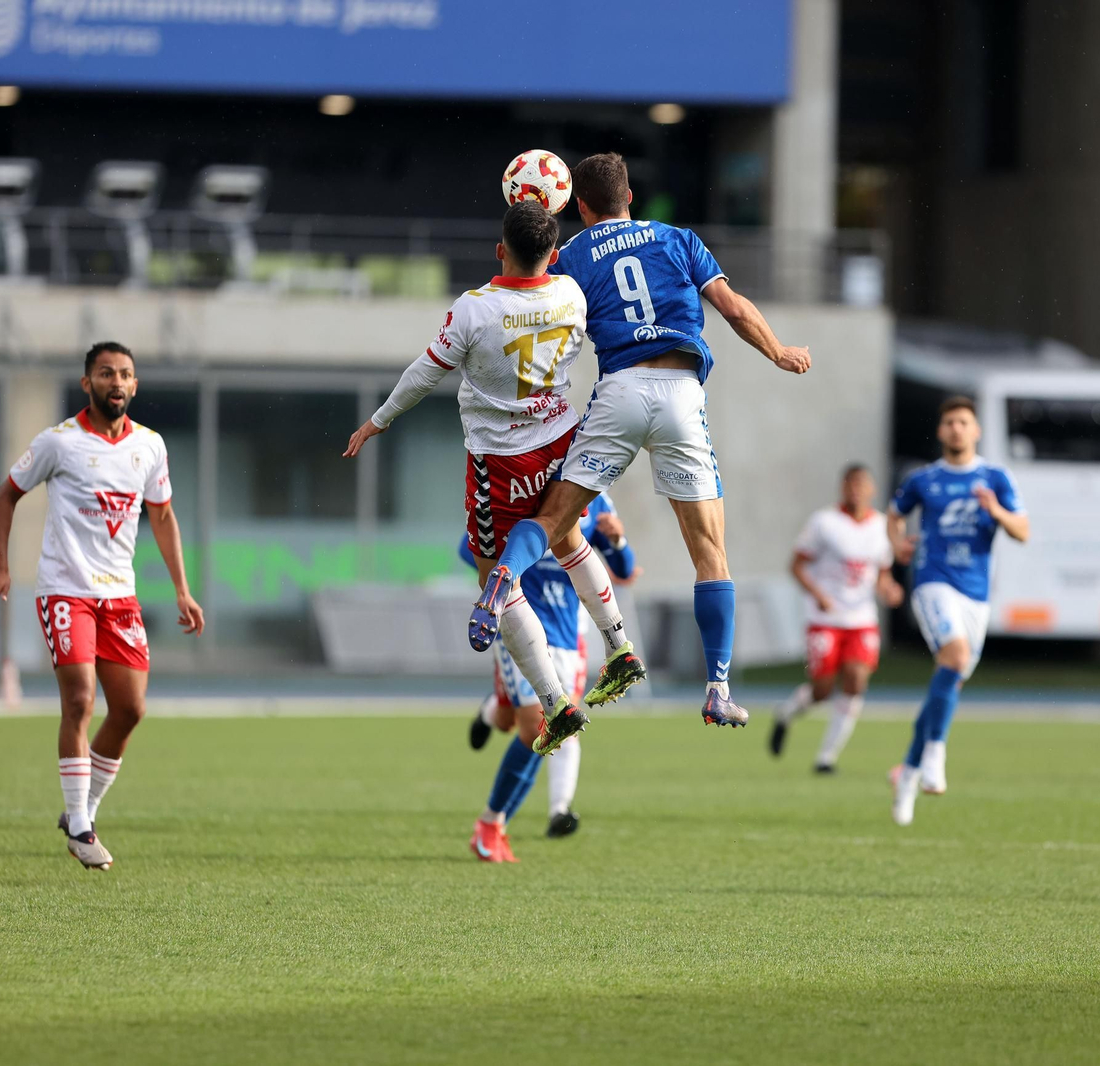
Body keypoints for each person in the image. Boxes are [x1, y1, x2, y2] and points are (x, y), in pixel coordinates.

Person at [472, 152, 811, 730]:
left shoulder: (571, 256)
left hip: (620, 391)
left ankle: (502, 579)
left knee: (553, 519)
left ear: (580, 206)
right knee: (709, 552)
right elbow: (732, 308)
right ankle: (718, 689)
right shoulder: (678, 239)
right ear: (629, 196)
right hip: (680, 393)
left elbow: (530, 303)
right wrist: (779, 351)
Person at [344, 202, 643, 760]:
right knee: (568, 540)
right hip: (562, 441)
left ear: (500, 250)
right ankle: (620, 645)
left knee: (496, 584)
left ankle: (555, 703)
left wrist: (378, 420)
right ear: (553, 254)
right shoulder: (571, 294)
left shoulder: (474, 309)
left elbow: (424, 373)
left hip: (501, 461)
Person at [0, 341, 205, 870]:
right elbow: (7, 495)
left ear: (135, 385)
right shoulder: (58, 442)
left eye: (124, 374)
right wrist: (0, 566)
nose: (116, 382)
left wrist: (182, 588)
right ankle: (81, 827)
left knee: (129, 710)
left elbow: (162, 516)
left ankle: (83, 810)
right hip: (66, 589)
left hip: (119, 596)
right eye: (106, 373)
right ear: (87, 384)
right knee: (80, 700)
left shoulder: (149, 446)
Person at [465, 494, 636, 858]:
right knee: (534, 728)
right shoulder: (516, 488)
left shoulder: (593, 497)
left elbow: (625, 568)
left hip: (567, 635)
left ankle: (493, 713)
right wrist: (511, 565)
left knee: (540, 725)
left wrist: (618, 540)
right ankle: (490, 824)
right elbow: (471, 551)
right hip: (519, 625)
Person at [887, 396, 1029, 827]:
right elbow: (893, 516)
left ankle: (907, 774)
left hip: (976, 595)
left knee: (949, 680)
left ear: (976, 430)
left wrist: (996, 511)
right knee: (955, 657)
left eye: (963, 422)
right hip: (933, 582)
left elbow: (1022, 531)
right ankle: (935, 754)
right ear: (941, 430)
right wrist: (897, 545)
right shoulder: (924, 479)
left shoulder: (995, 478)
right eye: (949, 422)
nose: (956, 428)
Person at [770, 465, 903, 773]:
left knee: (856, 681)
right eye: (850, 484)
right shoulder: (824, 522)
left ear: (872, 489)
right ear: (842, 488)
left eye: (861, 484)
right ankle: (786, 713)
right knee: (822, 690)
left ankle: (826, 758)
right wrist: (817, 594)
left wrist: (889, 589)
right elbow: (796, 566)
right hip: (825, 618)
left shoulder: (882, 527)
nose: (855, 490)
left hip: (861, 619)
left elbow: (881, 574)